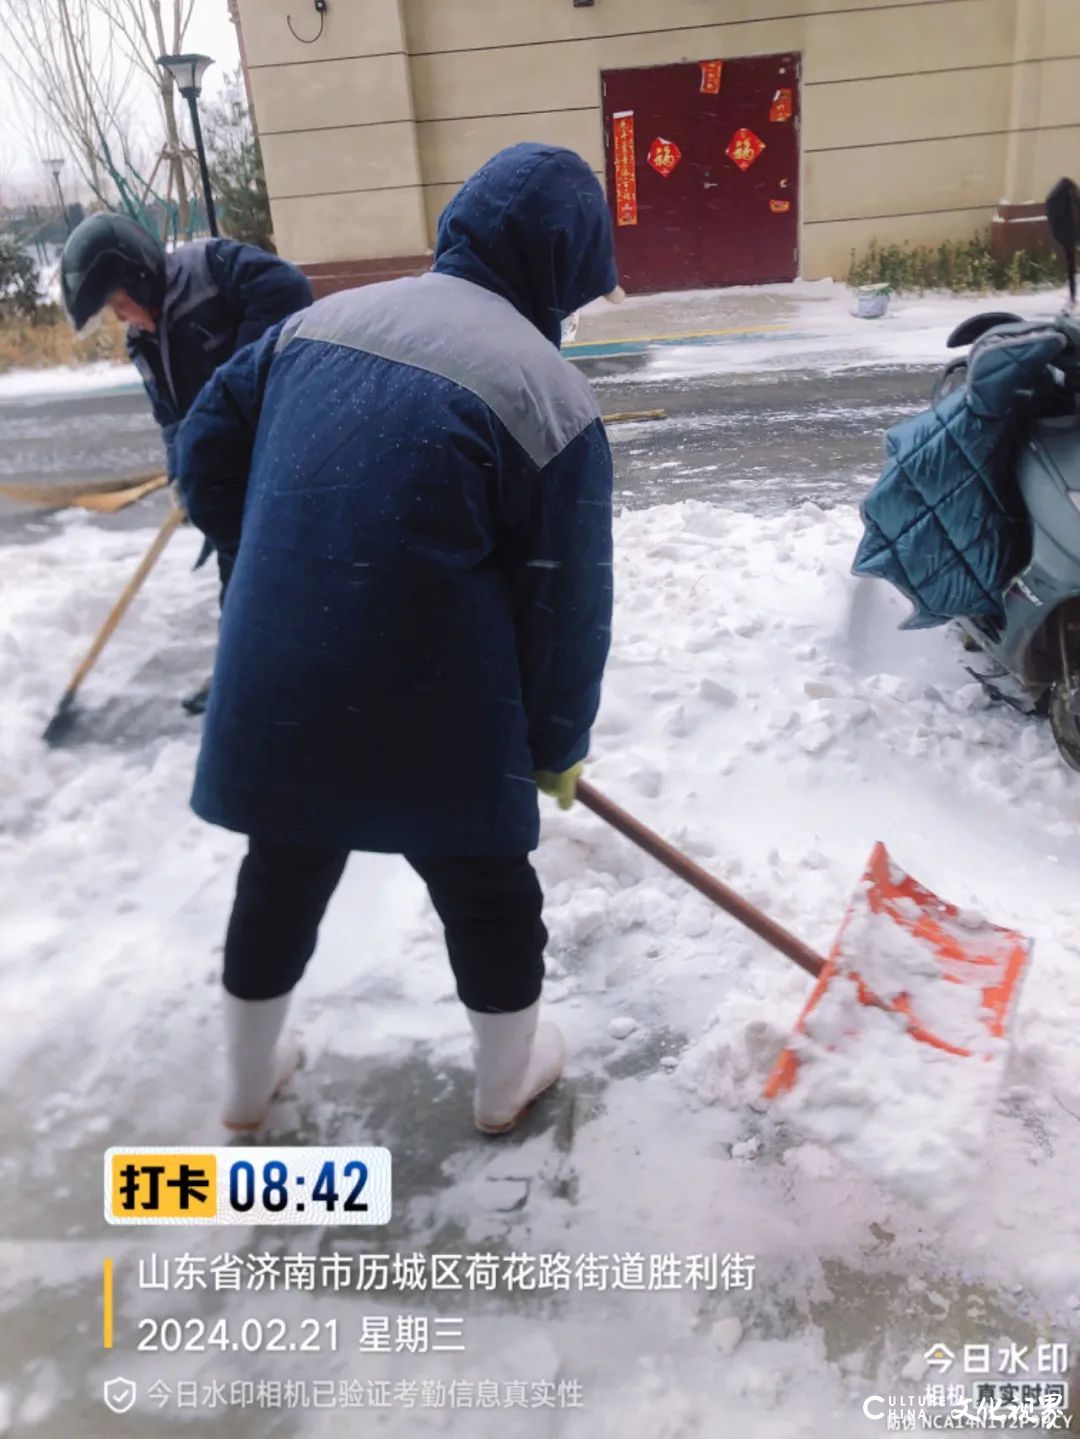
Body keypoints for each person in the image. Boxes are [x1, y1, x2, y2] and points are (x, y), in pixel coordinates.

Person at [174, 143, 619, 1135]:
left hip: (286, 663)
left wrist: (267, 557)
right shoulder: (550, 396)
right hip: (441, 699)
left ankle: (247, 1083)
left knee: (282, 863)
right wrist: (551, 745)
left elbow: (205, 441)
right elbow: (565, 606)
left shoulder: (312, 325)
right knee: (486, 883)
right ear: (559, 266)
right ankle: (505, 1081)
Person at [60, 213, 314, 709]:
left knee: (287, 565)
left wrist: (238, 387)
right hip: (229, 470)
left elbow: (289, 291)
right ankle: (241, 675)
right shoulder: (143, 342)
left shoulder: (212, 268)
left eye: (117, 302)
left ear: (139, 274)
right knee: (237, 566)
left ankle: (291, 677)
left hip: (282, 446)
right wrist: (183, 469)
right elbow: (171, 416)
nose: (120, 317)